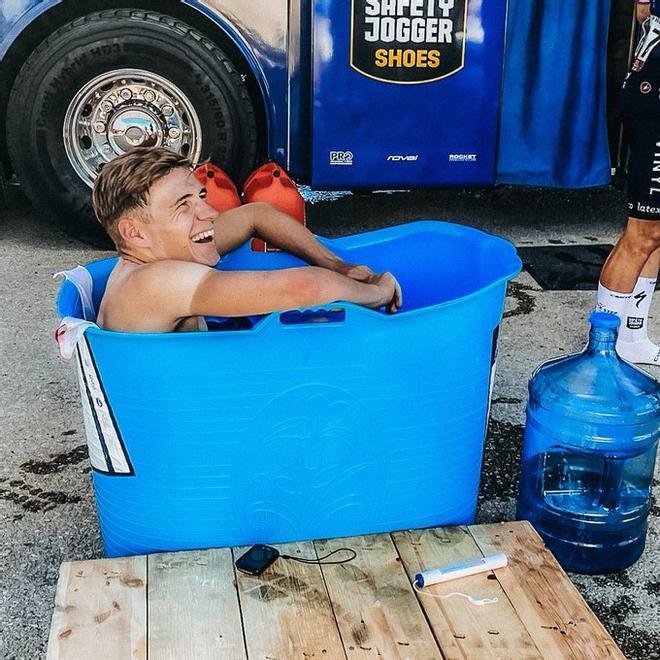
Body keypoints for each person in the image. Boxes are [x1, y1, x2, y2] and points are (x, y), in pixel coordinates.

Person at [91, 147, 401, 332]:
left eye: (200, 196)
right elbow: (305, 288)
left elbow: (256, 214)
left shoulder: (160, 250)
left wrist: (336, 265)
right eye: (183, 206)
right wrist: (378, 292)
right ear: (135, 233)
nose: (210, 212)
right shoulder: (154, 282)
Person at [596, 0, 660, 365]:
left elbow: (641, 11)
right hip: (655, 97)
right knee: (644, 232)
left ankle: (632, 336)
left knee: (656, 232)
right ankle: (602, 349)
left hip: (649, 88)